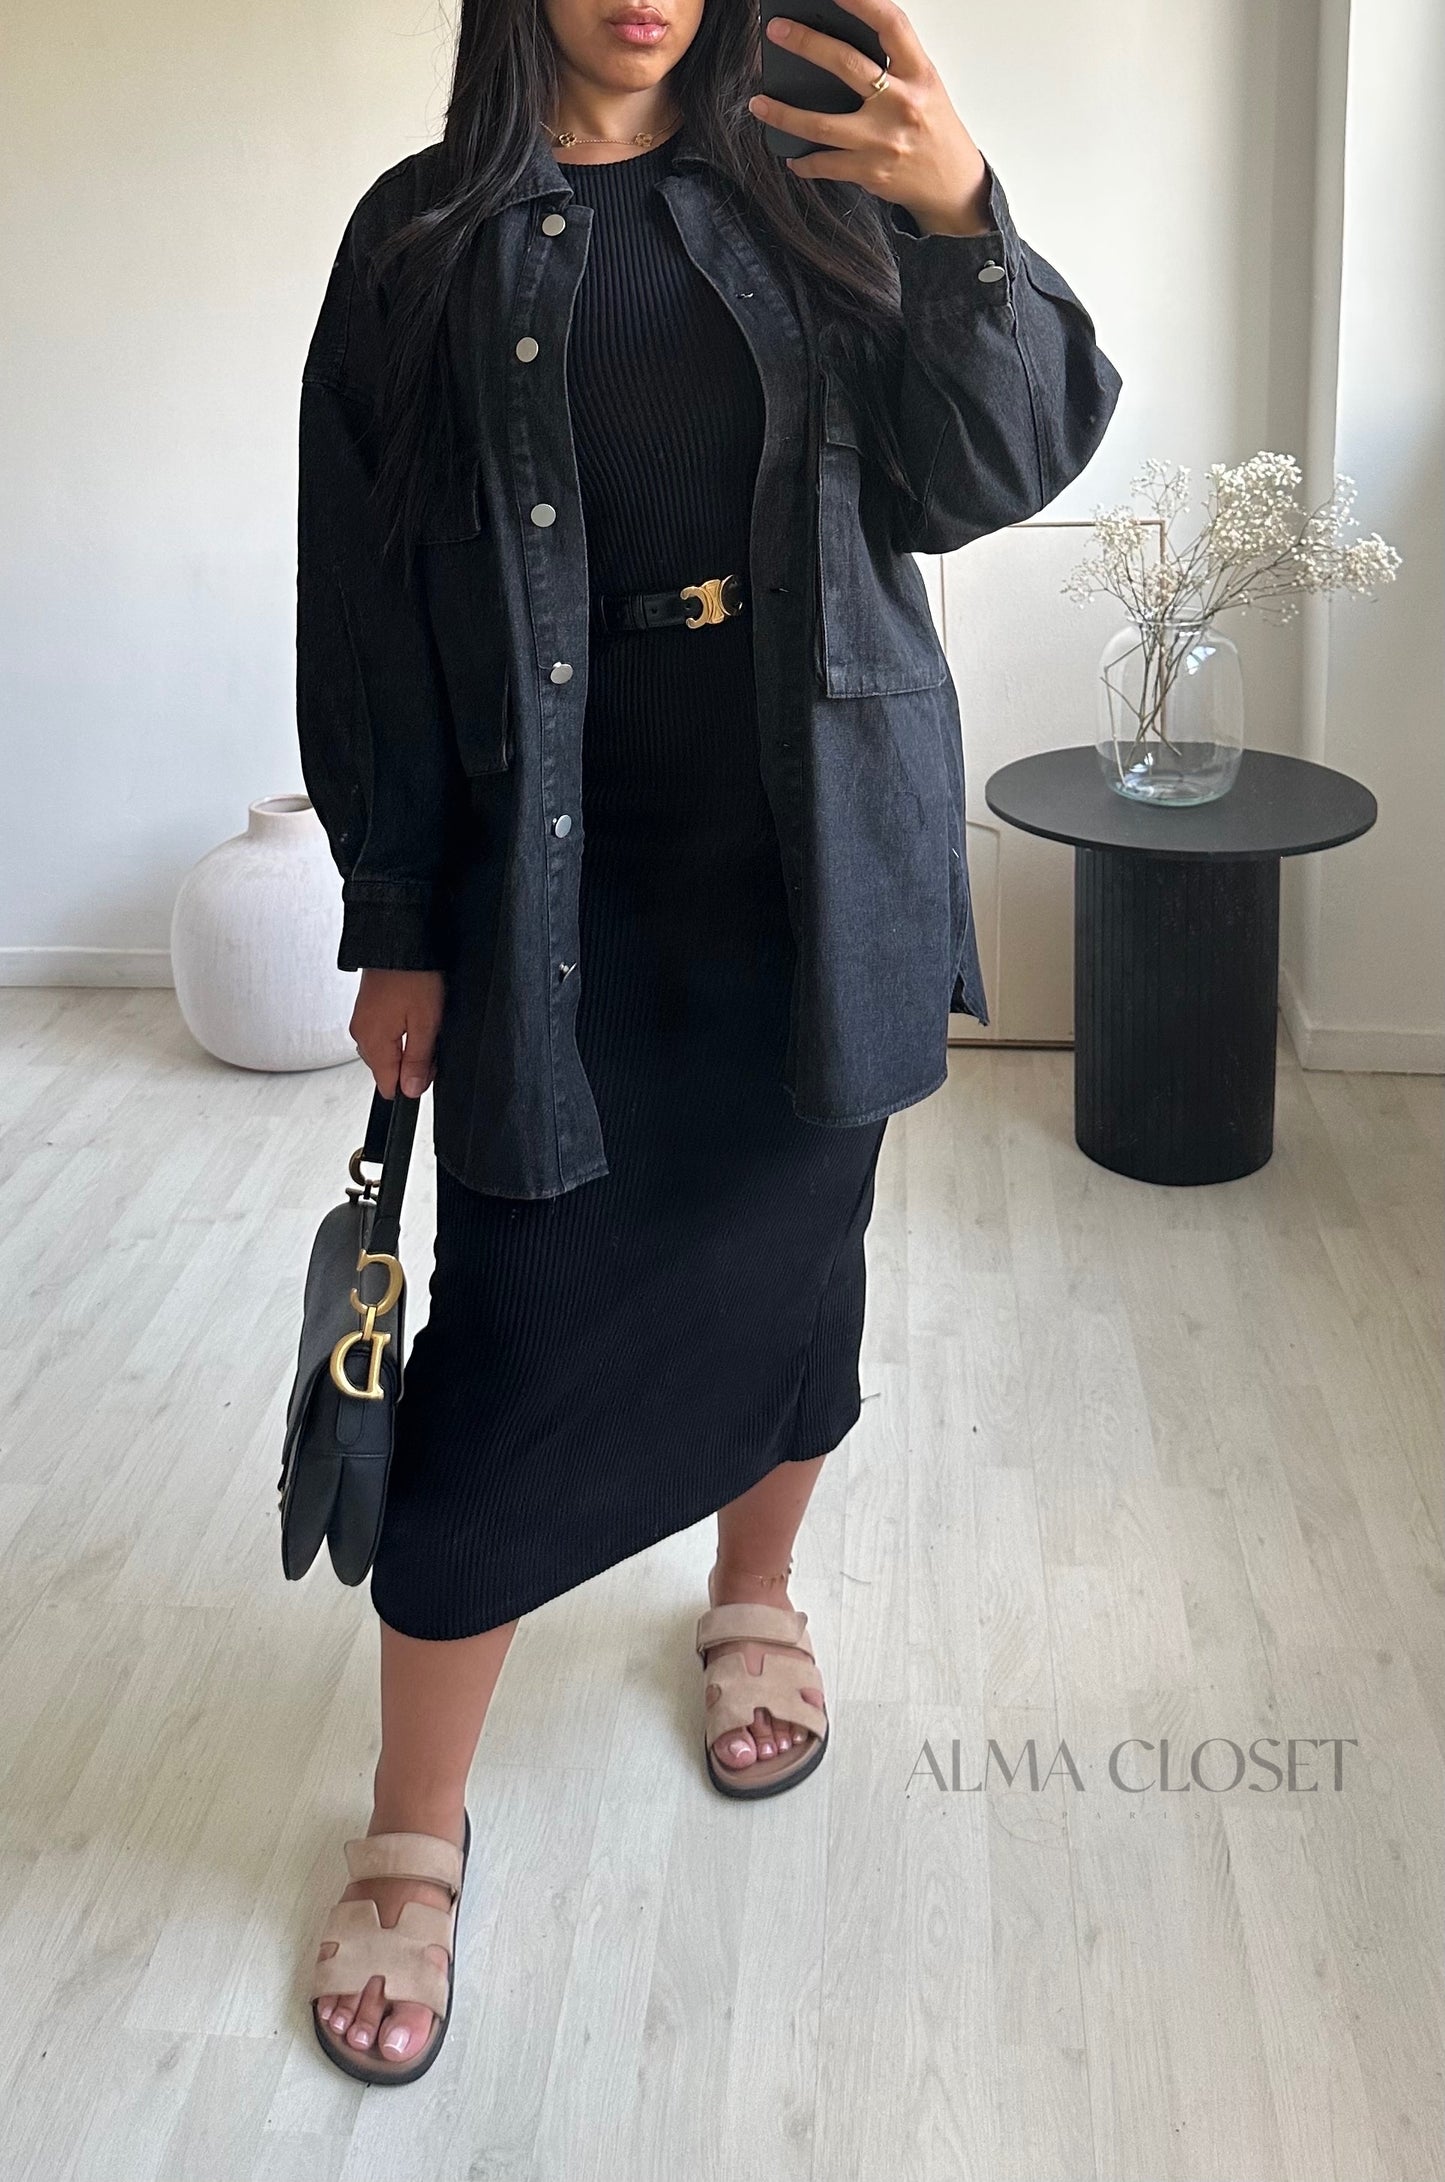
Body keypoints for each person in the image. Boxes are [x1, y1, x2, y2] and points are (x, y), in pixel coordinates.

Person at [296, 0, 1121, 2085]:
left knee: (795, 1268)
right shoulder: (421, 237)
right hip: (553, 876)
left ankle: (756, 1595)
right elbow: (363, 602)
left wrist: (968, 223)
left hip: (814, 853)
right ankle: (412, 1827)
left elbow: (994, 470)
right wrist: (395, 911)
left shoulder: (822, 193)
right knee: (507, 1348)